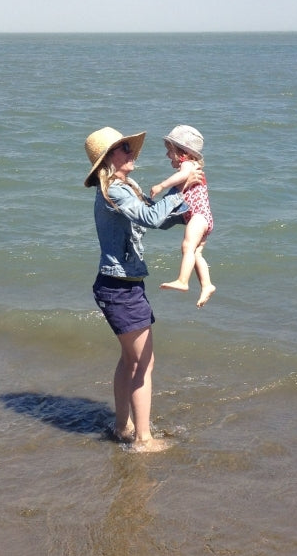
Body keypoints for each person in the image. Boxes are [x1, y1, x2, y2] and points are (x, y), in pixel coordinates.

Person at [84, 126, 199, 452]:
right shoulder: (114, 192)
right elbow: (150, 217)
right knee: (143, 364)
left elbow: (156, 217)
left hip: (121, 285)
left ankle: (123, 427)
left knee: (130, 361)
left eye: (128, 145)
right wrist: (180, 189)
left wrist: (189, 214)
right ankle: (143, 440)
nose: (130, 150)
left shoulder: (126, 188)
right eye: (123, 147)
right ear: (108, 159)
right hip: (119, 287)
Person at [149, 125, 216, 307]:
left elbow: (183, 175)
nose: (167, 155)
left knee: (187, 247)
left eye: (169, 151)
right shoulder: (193, 165)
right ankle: (207, 285)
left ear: (182, 152)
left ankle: (183, 281)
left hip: (198, 216)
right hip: (203, 217)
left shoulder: (188, 165)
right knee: (196, 253)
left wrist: (161, 186)